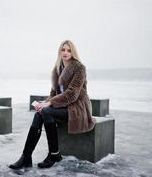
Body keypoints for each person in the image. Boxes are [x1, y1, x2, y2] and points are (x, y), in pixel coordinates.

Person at [9, 40, 96, 169]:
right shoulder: (57, 69)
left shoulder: (79, 68)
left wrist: (49, 104)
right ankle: (26, 156)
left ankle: (54, 154)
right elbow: (54, 93)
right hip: (62, 106)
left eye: (69, 50)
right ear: (59, 52)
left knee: (46, 111)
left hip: (76, 108)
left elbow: (72, 94)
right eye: (63, 49)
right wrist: (44, 103)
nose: (65, 52)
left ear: (73, 52)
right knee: (40, 112)